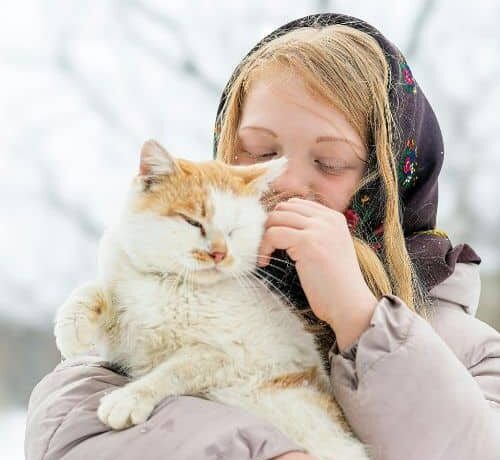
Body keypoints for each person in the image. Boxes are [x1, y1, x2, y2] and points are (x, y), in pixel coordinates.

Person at [25, 13, 500, 460]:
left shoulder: (470, 348)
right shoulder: (165, 288)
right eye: (259, 151)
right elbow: (68, 426)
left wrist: (361, 317)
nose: (284, 180)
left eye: (329, 162)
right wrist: (266, 451)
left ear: (390, 180)